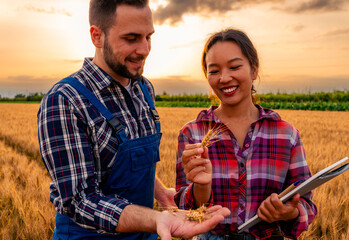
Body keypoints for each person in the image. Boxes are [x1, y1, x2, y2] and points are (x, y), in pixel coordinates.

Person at [37, 1, 230, 239]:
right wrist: (155, 218)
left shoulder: (144, 89)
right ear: (97, 36)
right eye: (131, 38)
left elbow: (124, 162)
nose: (145, 49)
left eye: (148, 37)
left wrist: (159, 193)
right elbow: (79, 200)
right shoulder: (66, 100)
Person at [174, 29, 317, 240]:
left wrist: (290, 212)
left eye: (235, 67)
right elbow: (184, 209)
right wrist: (201, 187)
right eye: (214, 71)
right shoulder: (192, 133)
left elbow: (306, 201)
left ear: (254, 70)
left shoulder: (286, 135)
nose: (224, 78)